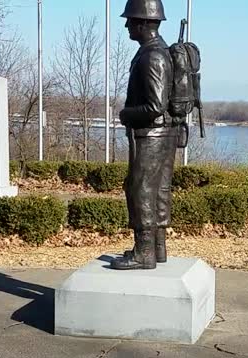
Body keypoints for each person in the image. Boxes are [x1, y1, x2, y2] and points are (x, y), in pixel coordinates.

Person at [110, 0, 177, 270]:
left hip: (151, 136)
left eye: (131, 20)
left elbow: (155, 106)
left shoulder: (152, 56)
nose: (127, 25)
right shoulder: (156, 52)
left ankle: (144, 253)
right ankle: (157, 249)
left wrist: (125, 114)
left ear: (144, 23)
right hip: (162, 134)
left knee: (141, 190)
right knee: (158, 190)